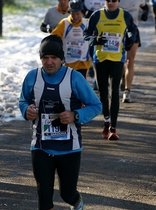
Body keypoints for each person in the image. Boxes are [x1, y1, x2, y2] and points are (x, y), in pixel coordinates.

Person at [19, 35, 102, 210]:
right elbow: (23, 101)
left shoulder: (74, 78)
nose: (49, 62)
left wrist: (76, 115)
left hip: (69, 147)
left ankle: (77, 204)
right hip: (41, 146)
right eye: (44, 57)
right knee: (43, 193)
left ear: (61, 59)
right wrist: (26, 111)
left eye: (53, 57)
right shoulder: (32, 77)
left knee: (66, 193)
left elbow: (96, 105)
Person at [84, 0, 137, 140]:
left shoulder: (125, 15)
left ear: (118, 1)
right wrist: (96, 40)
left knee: (114, 92)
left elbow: (133, 29)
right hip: (100, 60)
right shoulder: (96, 16)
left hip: (117, 59)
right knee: (103, 93)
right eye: (108, 0)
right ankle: (106, 120)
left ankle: (113, 127)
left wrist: (131, 38)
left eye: (114, 0)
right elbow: (86, 36)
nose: (111, 2)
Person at [52, 0, 91, 78]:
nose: (75, 17)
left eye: (78, 14)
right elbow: (53, 38)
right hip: (68, 63)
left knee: (80, 88)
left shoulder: (87, 23)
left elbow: (94, 38)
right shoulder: (64, 23)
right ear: (69, 13)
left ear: (82, 13)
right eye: (73, 14)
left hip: (83, 63)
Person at [118, 0, 145, 103]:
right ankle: (122, 75)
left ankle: (127, 91)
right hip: (117, 31)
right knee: (119, 61)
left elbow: (144, 6)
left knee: (130, 61)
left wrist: (144, 13)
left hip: (133, 31)